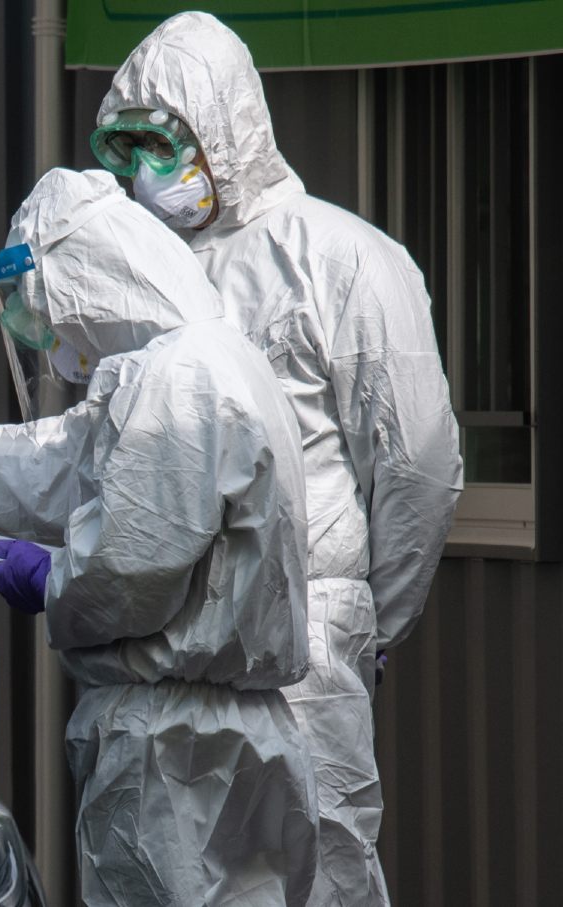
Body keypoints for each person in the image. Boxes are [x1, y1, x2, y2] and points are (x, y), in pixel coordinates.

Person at [0, 168, 318, 906]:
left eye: (46, 304)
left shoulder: (177, 381)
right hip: (229, 734)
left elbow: (127, 574)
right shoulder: (205, 361)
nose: (50, 333)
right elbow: (59, 461)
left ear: (86, 275)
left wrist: (47, 577)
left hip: (174, 750)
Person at [91, 12, 464, 905]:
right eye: (125, 146)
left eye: (161, 142)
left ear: (223, 130)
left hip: (299, 648)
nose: (145, 171)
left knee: (314, 875)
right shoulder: (142, 277)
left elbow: (413, 461)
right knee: (154, 874)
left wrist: (364, 614)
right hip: (161, 654)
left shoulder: (341, 260)